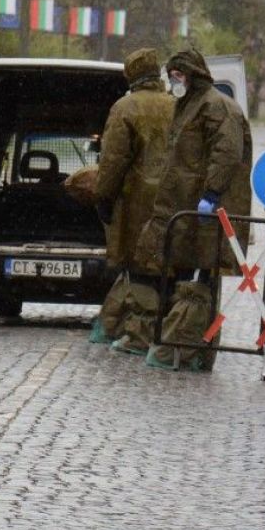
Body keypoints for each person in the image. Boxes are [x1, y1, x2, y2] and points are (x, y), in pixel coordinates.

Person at [135, 46, 253, 372]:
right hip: (187, 211)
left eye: (178, 76)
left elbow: (226, 152)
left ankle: (186, 347)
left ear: (190, 74)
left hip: (208, 212)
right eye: (171, 76)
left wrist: (212, 192)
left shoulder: (216, 107)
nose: (174, 81)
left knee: (202, 279)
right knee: (189, 276)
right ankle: (190, 348)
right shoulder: (189, 106)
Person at [87, 47, 176, 353]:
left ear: (132, 76)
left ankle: (140, 335)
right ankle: (167, 332)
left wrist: (103, 197)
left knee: (139, 268)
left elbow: (112, 161)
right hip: (174, 202)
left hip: (137, 201)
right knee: (167, 268)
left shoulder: (125, 108)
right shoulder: (178, 106)